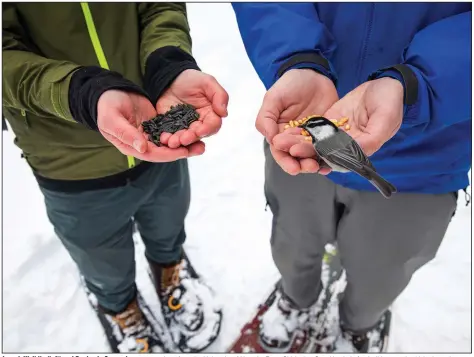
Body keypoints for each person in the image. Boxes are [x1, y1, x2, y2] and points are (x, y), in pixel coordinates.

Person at [233, 2, 471, 352]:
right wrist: (296, 56)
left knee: (382, 273)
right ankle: (294, 299)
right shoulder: (312, 134)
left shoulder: (334, 137)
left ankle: (360, 324)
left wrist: (417, 84)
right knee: (292, 243)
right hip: (300, 152)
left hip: (424, 161)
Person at [3, 3, 228, 353]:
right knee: (101, 259)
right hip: (68, 162)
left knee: (168, 225)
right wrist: (79, 91)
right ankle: (119, 306)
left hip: (157, 135)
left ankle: (170, 271)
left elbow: (160, 6)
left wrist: (167, 62)